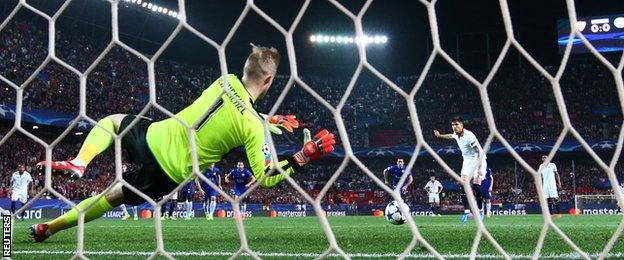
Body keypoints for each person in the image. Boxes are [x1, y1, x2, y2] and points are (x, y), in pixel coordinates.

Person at [30, 44, 335, 242]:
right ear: (269, 81)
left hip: (155, 135)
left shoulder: (225, 81)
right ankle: (49, 228)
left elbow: (236, 103)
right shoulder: (252, 128)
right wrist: (301, 157)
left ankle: (80, 162)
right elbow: (266, 179)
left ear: (245, 71)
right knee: (112, 197)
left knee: (111, 121)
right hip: (170, 173)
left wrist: (268, 117)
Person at [435, 116, 487, 223]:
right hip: (467, 161)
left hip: (479, 159)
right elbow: (451, 136)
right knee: (463, 185)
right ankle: (467, 212)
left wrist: (480, 168)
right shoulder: (456, 134)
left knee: (476, 186)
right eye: (453, 125)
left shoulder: (469, 136)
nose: (454, 127)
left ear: (461, 125)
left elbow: (478, 152)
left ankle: (480, 211)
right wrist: (440, 135)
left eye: (456, 125)